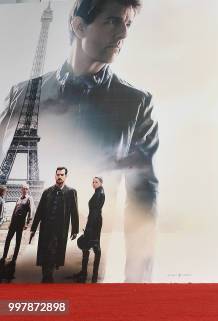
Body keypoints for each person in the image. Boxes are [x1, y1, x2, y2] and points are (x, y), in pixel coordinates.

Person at [0, 0, 158, 282]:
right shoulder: (22, 93)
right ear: (78, 25)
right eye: (113, 21)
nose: (123, 34)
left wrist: (138, 284)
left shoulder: (136, 103)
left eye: (128, 24)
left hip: (82, 261)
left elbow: (143, 200)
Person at [30, 167, 79, 283]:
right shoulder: (47, 192)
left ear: (66, 176)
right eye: (58, 174)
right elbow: (40, 211)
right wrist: (33, 228)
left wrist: (75, 229)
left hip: (59, 230)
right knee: (44, 252)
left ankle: (48, 277)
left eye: (62, 175)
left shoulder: (71, 192)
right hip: (46, 228)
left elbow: (74, 212)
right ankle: (46, 276)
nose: (59, 177)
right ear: (55, 176)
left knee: (52, 252)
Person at [73, 176, 105, 283]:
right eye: (93, 182)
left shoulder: (99, 193)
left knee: (94, 246)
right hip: (94, 221)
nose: (94, 183)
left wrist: (89, 228)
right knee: (90, 245)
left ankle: (89, 275)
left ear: (101, 183)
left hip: (94, 222)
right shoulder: (98, 192)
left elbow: (95, 212)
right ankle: (87, 273)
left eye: (96, 182)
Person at [1, 184, 34, 268]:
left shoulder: (29, 199)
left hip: (21, 223)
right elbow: (14, 211)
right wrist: (11, 222)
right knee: (8, 239)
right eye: (23, 189)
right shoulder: (18, 199)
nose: (24, 190)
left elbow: (31, 212)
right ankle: (4, 256)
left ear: (28, 190)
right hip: (14, 222)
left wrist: (27, 224)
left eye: (26, 189)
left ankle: (14, 259)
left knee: (18, 241)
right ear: (21, 190)